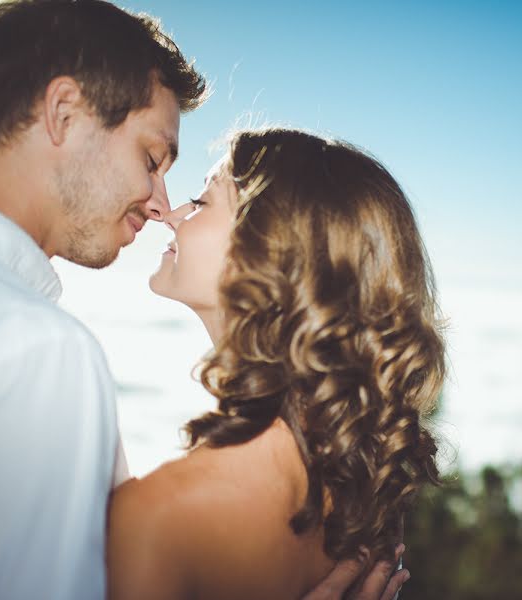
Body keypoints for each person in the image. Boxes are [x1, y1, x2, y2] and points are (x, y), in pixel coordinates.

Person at [0, 1, 407, 598]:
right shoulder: (34, 352)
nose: (161, 206)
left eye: (198, 200)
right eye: (151, 159)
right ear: (62, 114)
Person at [106, 127, 446, 599]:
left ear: (268, 254)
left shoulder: (158, 518)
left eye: (201, 202)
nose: (169, 213)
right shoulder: (370, 489)